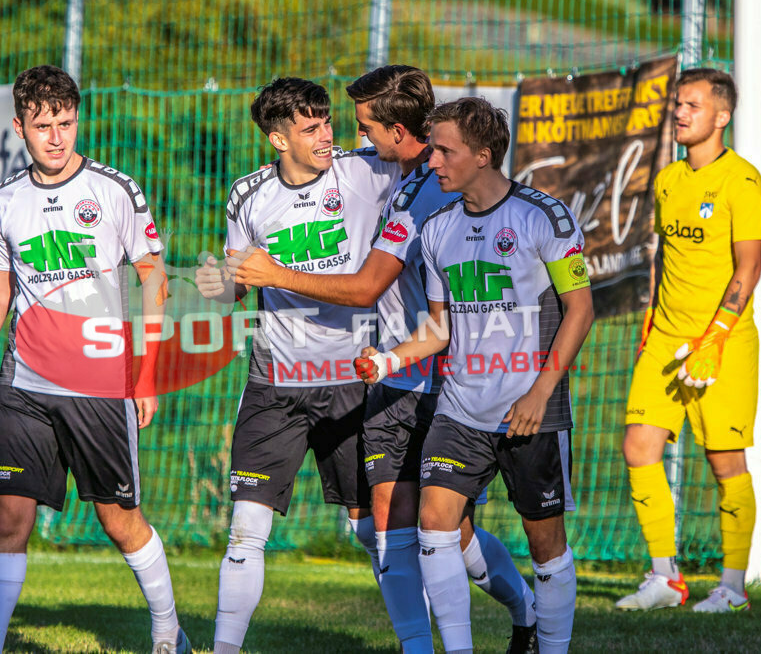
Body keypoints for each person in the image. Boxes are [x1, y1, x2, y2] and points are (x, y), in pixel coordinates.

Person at [233, 65, 537, 653]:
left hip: (446, 378)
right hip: (395, 374)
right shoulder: (403, 177)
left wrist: (275, 273)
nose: (354, 139)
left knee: (448, 532)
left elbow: (367, 287)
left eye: (365, 127)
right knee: (388, 520)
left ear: (397, 130)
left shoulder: (433, 188)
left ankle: (525, 612)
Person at [0, 64, 187, 654]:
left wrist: (145, 375)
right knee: (9, 518)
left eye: (66, 122)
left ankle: (167, 631)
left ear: (77, 121)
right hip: (25, 387)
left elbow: (153, 278)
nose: (56, 137)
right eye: (43, 125)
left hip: (99, 385)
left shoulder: (115, 190)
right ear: (19, 127)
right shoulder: (4, 203)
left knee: (118, 520)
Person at [356, 97, 594, 653]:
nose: (433, 161)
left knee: (547, 546)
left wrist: (539, 393)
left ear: (483, 155)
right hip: (460, 410)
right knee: (435, 527)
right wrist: (389, 361)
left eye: (444, 150)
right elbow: (439, 331)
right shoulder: (437, 230)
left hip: (529, 409)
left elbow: (581, 310)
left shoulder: (544, 216)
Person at [194, 77, 399, 654]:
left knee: (374, 530)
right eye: (310, 129)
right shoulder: (247, 195)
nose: (327, 136)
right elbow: (236, 285)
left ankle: (424, 639)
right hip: (275, 384)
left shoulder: (366, 173)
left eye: (328, 122)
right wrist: (218, 284)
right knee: (245, 531)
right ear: (277, 139)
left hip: (354, 380)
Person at [616, 68, 761, 613]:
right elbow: (663, 262)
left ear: (721, 116)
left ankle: (731, 589)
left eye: (693, 106)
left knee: (725, 461)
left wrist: (717, 336)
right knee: (638, 446)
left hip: (722, 342)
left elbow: (747, 271)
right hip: (664, 338)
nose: (680, 113)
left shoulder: (742, 181)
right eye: (678, 104)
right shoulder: (668, 180)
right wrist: (650, 328)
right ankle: (665, 579)